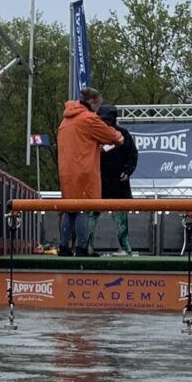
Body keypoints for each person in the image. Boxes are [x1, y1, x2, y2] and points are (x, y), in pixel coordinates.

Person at [57, 87, 123, 256]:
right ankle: (82, 247)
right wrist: (119, 137)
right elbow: (112, 136)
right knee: (83, 209)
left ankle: (63, 247)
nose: (98, 110)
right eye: (98, 105)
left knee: (68, 209)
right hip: (84, 170)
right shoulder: (88, 118)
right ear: (93, 101)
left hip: (66, 171)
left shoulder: (65, 121)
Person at [95, 105, 136, 256]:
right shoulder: (94, 134)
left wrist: (127, 171)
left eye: (107, 120)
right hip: (98, 182)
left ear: (113, 120)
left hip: (118, 182)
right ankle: (86, 246)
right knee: (91, 215)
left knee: (121, 218)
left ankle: (125, 248)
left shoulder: (124, 134)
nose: (105, 123)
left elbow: (133, 155)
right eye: (102, 120)